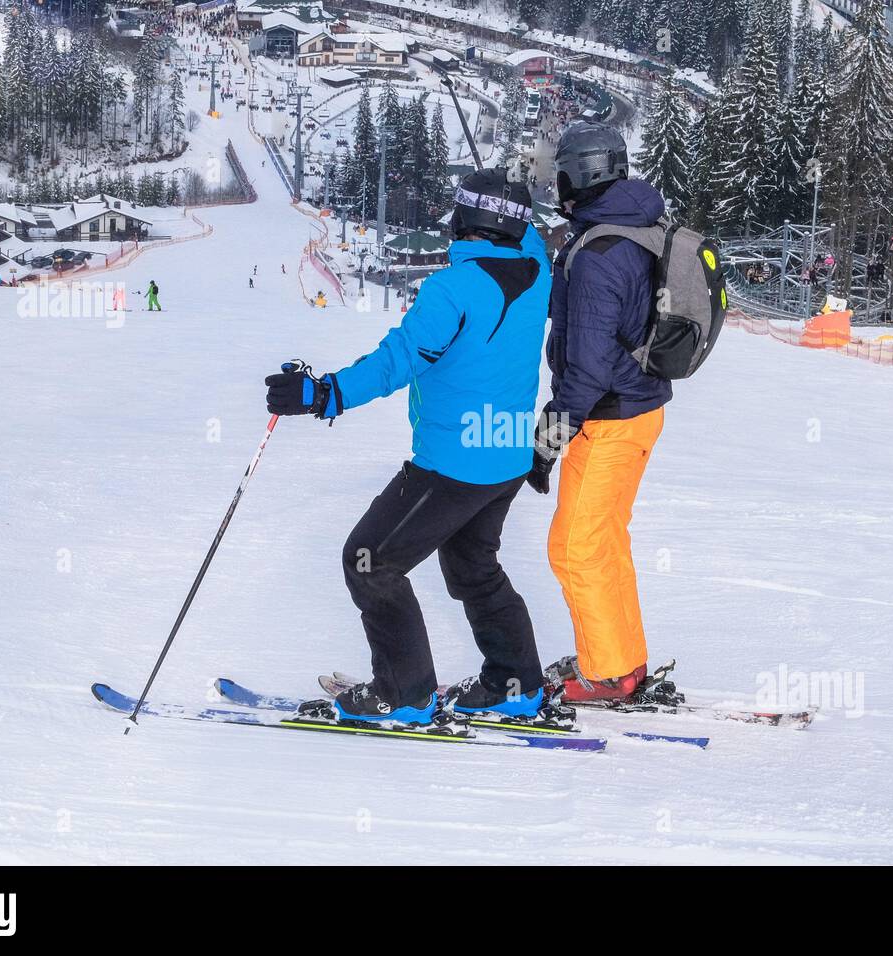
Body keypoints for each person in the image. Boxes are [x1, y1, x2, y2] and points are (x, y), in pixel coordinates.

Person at [263, 169, 552, 727]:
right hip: (507, 456)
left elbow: (398, 359)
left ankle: (404, 693)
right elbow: (530, 233)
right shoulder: (538, 271)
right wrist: (509, 205)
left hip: (454, 466)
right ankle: (514, 683)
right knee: (474, 567)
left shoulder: (451, 290)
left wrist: (325, 394)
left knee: (369, 562)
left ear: (469, 221)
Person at [526, 121, 669, 703]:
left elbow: (585, 368)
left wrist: (548, 441)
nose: (554, 183)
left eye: (559, 172)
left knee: (575, 545)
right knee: (605, 537)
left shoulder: (596, 255)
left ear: (580, 175)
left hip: (609, 417)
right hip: (637, 410)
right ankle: (619, 658)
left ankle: (609, 674)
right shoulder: (636, 223)